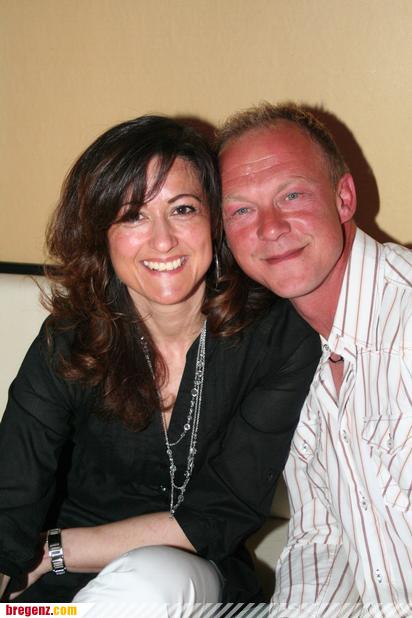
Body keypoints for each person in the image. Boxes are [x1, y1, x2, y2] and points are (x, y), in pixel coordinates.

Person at [0, 115, 320, 609]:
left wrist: (52, 552)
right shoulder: (71, 339)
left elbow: (222, 513)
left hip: (191, 580)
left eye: (183, 209)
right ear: (101, 234)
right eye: (133, 215)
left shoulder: (276, 338)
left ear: (214, 221)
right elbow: (12, 496)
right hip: (58, 599)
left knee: (149, 582)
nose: (163, 240)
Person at [218, 103, 412, 616]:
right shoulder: (291, 358)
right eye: (241, 210)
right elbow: (322, 538)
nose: (270, 227)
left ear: (343, 197)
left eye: (292, 195)